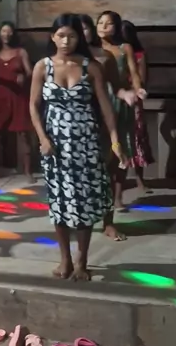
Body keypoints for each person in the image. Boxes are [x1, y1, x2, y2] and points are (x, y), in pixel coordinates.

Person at [30, 14, 126, 281]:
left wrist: (116, 142)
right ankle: (65, 260)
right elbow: (33, 106)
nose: (66, 41)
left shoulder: (90, 67)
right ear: (52, 37)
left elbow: (107, 110)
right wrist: (43, 138)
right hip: (55, 147)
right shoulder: (42, 67)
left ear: (79, 38)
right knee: (59, 203)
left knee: (84, 203)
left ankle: (82, 262)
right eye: (61, 35)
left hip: (86, 144)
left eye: (71, 36)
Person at [79, 14, 135, 240]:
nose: (82, 33)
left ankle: (108, 222)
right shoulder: (61, 60)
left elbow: (117, 85)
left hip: (103, 118)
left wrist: (126, 94)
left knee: (107, 172)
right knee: (79, 176)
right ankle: (78, 219)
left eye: (85, 28)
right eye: (77, 29)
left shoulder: (104, 56)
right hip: (73, 124)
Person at [96, 11, 146, 210]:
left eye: (108, 23)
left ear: (116, 27)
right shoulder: (91, 48)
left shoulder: (125, 48)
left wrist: (137, 89)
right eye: (100, 22)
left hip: (121, 100)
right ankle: (101, 195)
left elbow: (133, 72)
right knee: (100, 150)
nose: (103, 27)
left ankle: (117, 197)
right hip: (98, 101)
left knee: (121, 150)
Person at [0, 21, 34, 182]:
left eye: (9, 31)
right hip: (0, 96)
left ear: (13, 34)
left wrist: (23, 76)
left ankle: (28, 171)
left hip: (18, 95)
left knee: (23, 133)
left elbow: (31, 73)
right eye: (3, 31)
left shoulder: (21, 52)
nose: (6, 35)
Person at [122, 20, 154, 192]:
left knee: (137, 139)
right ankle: (118, 184)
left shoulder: (139, 55)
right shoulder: (112, 52)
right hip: (116, 99)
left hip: (134, 100)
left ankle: (140, 180)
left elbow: (142, 80)